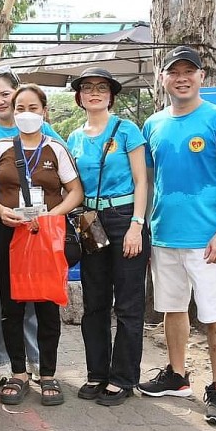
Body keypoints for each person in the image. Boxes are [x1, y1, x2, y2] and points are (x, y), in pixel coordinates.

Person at [137, 46, 216, 425]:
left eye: (189, 71)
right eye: (174, 72)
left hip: (207, 240)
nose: (181, 78)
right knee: (172, 309)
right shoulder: (153, 124)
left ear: (202, 76)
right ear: (162, 78)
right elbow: (147, 180)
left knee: (215, 315)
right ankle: (177, 375)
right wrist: (143, 226)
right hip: (164, 235)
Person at [0, 83, 83, 406]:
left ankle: (48, 374)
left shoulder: (55, 149)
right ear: (13, 112)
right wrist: (0, 211)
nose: (26, 114)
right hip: (10, 233)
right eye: (20, 108)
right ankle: (18, 373)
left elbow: (76, 192)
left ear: (44, 111)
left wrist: (54, 214)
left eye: (33, 108)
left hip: (46, 235)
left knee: (46, 304)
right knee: (11, 306)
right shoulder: (1, 148)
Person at [0, 67, 64, 384]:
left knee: (34, 294)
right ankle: (1, 360)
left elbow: (62, 174)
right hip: (0, 223)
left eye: (5, 94)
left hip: (37, 227)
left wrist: (52, 213)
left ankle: (34, 358)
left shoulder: (45, 130)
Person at [66, 68, 149, 406]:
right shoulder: (74, 138)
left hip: (124, 216)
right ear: (80, 96)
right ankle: (97, 373)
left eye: (102, 87)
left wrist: (136, 225)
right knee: (95, 301)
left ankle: (123, 378)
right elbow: (71, 185)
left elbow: (142, 181)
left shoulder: (127, 130)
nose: (95, 92)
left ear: (111, 95)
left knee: (128, 303)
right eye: (87, 87)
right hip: (89, 219)